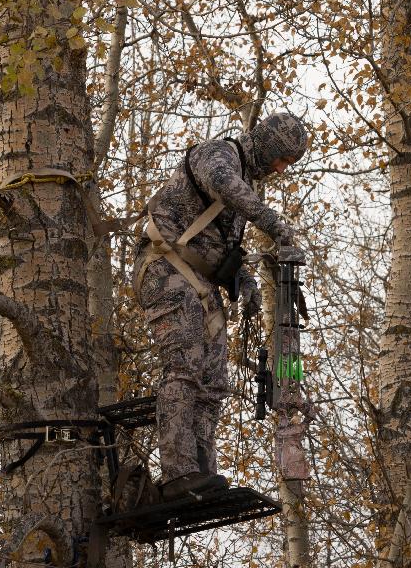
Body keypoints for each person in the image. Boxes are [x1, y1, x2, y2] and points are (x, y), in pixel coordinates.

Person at [132, 111, 308, 500]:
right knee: (185, 367)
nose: (280, 169)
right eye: (281, 158)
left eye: (287, 164)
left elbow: (224, 250)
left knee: (214, 380)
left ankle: (202, 473)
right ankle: (179, 474)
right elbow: (223, 184)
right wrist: (276, 227)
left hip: (200, 282)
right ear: (266, 144)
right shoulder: (219, 155)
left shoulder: (246, 187)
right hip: (165, 269)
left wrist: (243, 282)